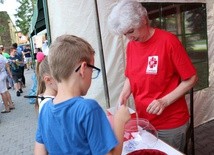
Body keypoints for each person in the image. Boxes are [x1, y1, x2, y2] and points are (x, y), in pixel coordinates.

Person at [108, 0, 198, 152]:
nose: (129, 38)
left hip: (170, 124)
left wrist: (164, 101)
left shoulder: (168, 41)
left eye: (131, 31)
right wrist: (124, 94)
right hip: (144, 122)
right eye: (125, 34)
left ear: (143, 20)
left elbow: (192, 79)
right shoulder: (131, 45)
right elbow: (131, 75)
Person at [34, 34, 131, 155]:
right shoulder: (88, 109)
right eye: (92, 69)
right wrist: (119, 121)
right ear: (83, 68)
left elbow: (39, 152)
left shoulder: (45, 109)